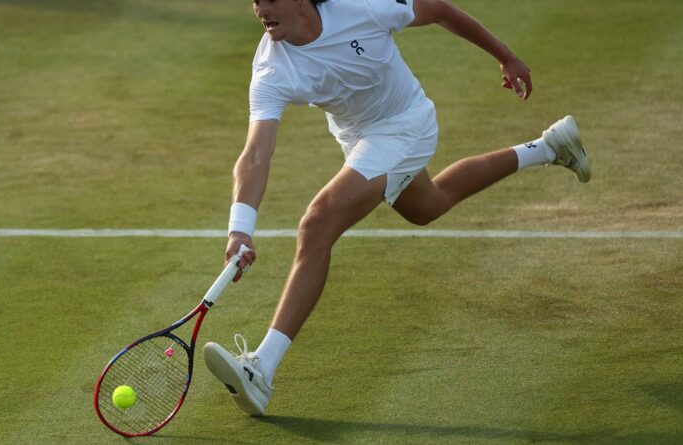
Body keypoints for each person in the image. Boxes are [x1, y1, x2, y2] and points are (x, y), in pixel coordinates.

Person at [203, 0, 591, 416]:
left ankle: (261, 368)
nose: (260, 9)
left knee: (317, 224)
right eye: (255, 0)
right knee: (428, 205)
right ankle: (549, 147)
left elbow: (440, 9)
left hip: (407, 122)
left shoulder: (364, 7)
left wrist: (506, 56)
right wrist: (239, 228)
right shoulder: (272, 68)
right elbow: (256, 155)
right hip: (358, 138)